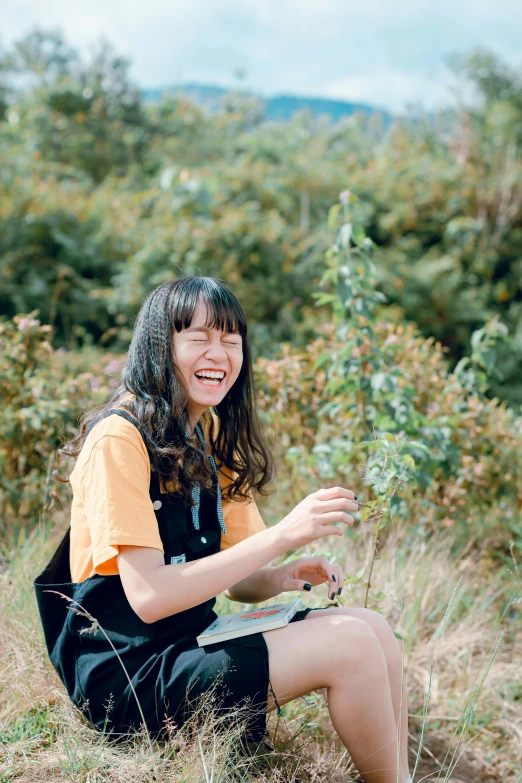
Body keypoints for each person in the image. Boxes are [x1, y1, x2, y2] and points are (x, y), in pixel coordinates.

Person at [34, 276, 411, 783]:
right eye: (200, 338)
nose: (220, 354)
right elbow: (149, 597)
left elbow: (238, 582)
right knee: (352, 646)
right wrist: (282, 534)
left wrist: (279, 576)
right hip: (130, 677)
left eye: (231, 341)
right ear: (160, 344)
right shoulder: (118, 439)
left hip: (190, 641)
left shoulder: (204, 435)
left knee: (374, 629)